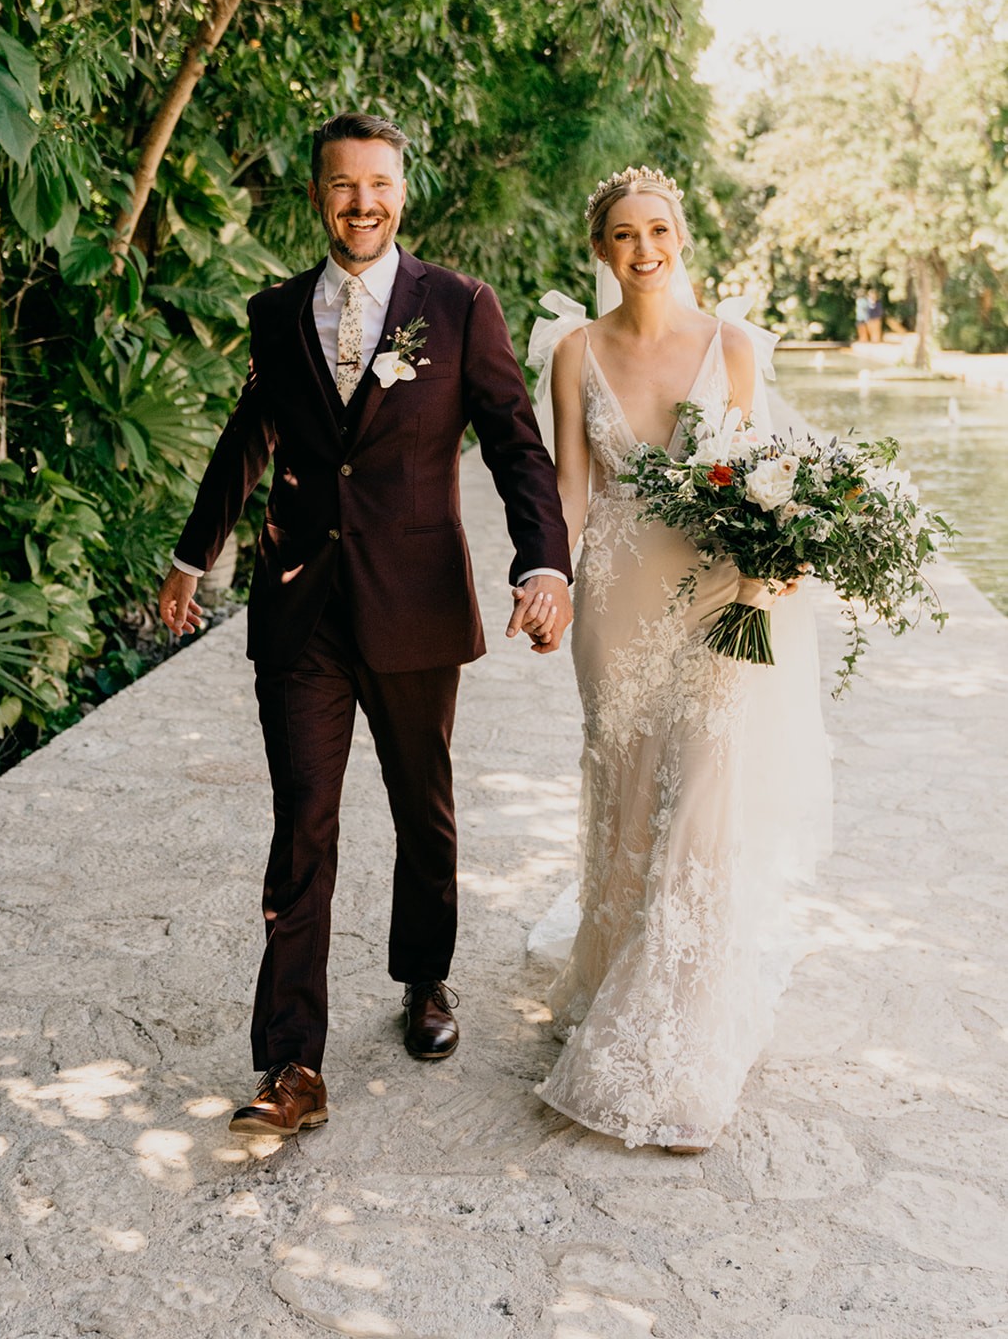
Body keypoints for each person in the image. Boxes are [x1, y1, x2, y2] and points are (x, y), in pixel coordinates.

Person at [157, 112, 572, 1139]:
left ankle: (424, 976)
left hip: (418, 602)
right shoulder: (275, 312)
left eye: (377, 184)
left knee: (422, 808)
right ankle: (291, 1060)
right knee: (302, 824)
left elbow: (517, 445)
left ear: (402, 189)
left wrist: (542, 561)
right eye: (341, 186)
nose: (361, 203)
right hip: (300, 608)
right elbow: (244, 437)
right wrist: (190, 550)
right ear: (315, 197)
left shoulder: (460, 307)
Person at [529, 165, 832, 1154]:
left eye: (657, 228)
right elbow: (571, 489)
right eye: (622, 233)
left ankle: (684, 1036)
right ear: (600, 248)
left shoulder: (733, 346)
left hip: (714, 600)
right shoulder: (573, 352)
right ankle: (613, 973)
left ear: (680, 235)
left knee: (703, 794)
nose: (642, 247)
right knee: (629, 791)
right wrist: (550, 577)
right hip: (615, 600)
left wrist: (780, 556)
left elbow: (764, 476)